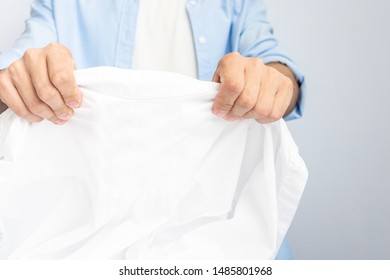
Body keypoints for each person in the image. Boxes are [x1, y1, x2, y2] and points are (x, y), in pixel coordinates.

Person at [0, 0, 305, 259]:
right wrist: (17, 80)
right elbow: (19, 62)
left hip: (218, 224)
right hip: (89, 228)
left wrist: (275, 81)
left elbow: (273, 61)